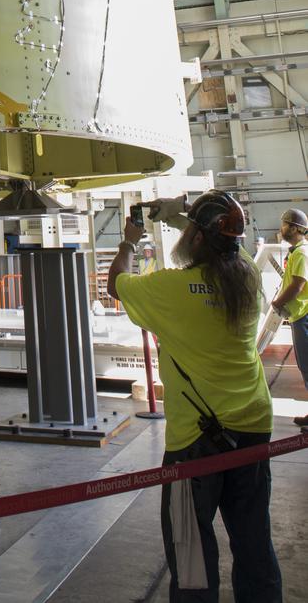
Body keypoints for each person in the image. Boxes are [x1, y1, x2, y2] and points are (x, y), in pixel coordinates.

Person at [108, 191, 281, 603]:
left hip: (194, 441)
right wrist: (187, 213)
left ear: (197, 238)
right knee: (254, 542)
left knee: (191, 554)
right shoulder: (248, 279)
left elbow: (117, 282)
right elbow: (218, 243)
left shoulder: (171, 288)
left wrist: (130, 241)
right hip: (254, 428)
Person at [270, 206, 308, 426]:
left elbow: (297, 284)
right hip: (299, 316)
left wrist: (278, 302)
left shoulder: (301, 253)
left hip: (303, 317)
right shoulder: (297, 252)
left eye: (284, 224)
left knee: (307, 366)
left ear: (294, 228)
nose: (281, 228)